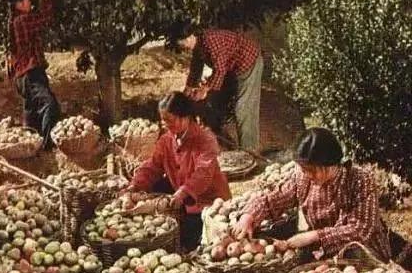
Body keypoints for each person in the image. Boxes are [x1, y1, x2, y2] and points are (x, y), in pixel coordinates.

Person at [233, 128, 391, 261]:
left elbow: (360, 230)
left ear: (329, 164)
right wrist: (249, 216)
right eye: (303, 169)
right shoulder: (303, 178)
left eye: (312, 170)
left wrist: (314, 236)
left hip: (362, 253)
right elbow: (274, 199)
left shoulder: (359, 180)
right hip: (324, 252)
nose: (307, 174)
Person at [123, 92, 231, 251]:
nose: (164, 124)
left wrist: (183, 192)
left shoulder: (205, 139)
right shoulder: (166, 140)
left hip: (207, 200)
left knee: (190, 241)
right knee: (153, 186)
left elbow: (203, 173)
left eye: (169, 120)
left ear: (185, 117)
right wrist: (135, 185)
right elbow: (153, 166)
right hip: (180, 195)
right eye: (162, 120)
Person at [177, 27, 263, 153]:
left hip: (248, 64)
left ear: (190, 37)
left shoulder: (211, 41)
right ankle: (219, 137)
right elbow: (195, 71)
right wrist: (187, 92)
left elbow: (220, 70)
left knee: (243, 109)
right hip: (231, 68)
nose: (183, 47)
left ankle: (249, 151)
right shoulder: (198, 48)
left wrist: (204, 90)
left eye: (183, 43)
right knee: (216, 102)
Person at [5, 0, 60, 149]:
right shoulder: (23, 20)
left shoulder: (15, 21)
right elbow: (45, 18)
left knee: (31, 111)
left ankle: (30, 148)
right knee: (49, 104)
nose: (31, 4)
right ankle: (47, 145)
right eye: (29, 0)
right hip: (31, 72)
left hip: (22, 76)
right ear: (20, 4)